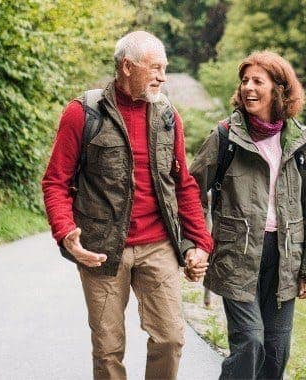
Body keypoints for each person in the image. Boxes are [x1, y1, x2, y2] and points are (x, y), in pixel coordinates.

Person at [41, 31, 213, 380]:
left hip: (158, 245)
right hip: (101, 249)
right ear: (126, 66)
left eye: (165, 69)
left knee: (170, 338)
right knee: (108, 350)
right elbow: (55, 182)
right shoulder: (82, 113)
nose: (163, 78)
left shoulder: (168, 116)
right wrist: (66, 233)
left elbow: (183, 184)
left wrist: (200, 244)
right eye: (155, 68)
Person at [190, 50, 306, 380]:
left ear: (279, 89)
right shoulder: (225, 137)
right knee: (250, 344)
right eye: (245, 81)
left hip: (284, 259)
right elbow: (191, 190)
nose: (248, 87)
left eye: (257, 81)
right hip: (237, 256)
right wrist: (200, 241)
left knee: (276, 353)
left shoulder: (297, 141)